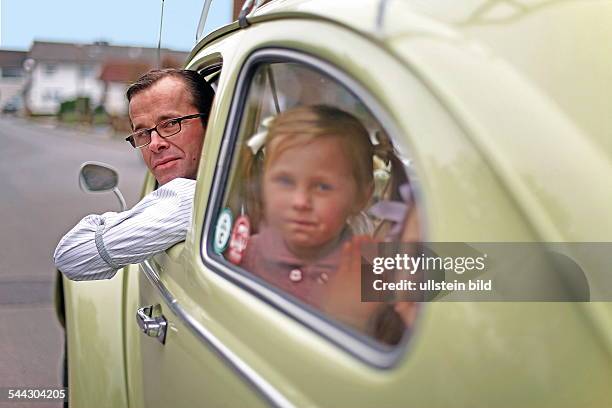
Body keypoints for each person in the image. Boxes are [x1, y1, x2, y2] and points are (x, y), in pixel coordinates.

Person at [54, 68, 214, 281]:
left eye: (170, 124)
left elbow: (71, 255)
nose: (155, 144)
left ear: (211, 121)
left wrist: (116, 221)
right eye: (142, 133)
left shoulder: (189, 198)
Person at [238, 105, 375, 306]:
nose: (300, 202)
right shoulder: (242, 255)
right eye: (285, 181)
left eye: (322, 186)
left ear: (361, 197)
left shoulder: (370, 272)